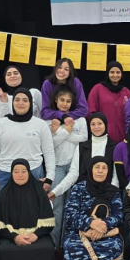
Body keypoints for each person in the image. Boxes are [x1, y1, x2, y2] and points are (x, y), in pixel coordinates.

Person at [60, 157, 124, 260]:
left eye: (104, 168)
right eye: (97, 167)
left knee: (114, 247)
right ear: (90, 170)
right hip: (80, 232)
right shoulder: (79, 189)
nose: (100, 171)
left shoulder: (113, 191)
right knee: (72, 248)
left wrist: (102, 226)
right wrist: (90, 223)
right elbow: (70, 214)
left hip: (106, 233)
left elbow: (118, 215)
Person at [0, 88, 55, 231]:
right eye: (17, 100)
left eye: (25, 100)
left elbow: (49, 152)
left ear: (30, 103)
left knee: (33, 216)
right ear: (12, 102)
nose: (21, 103)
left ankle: (32, 244)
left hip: (34, 173)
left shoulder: (40, 124)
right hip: (5, 174)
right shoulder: (0, 124)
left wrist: (49, 178)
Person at [48, 86, 88, 246]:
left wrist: (61, 131)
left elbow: (84, 138)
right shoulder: (50, 120)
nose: (65, 103)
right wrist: (66, 132)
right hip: (57, 166)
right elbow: (51, 144)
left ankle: (67, 243)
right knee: (56, 205)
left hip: (74, 166)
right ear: (56, 100)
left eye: (68, 101)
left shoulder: (80, 120)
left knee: (71, 206)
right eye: (62, 100)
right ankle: (53, 244)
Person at [50, 111, 117, 201]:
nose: (96, 127)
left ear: (105, 125)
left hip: (106, 193)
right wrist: (55, 191)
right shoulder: (82, 147)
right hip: (83, 194)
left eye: (100, 123)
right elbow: (73, 174)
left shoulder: (114, 147)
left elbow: (115, 177)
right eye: (93, 124)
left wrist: (110, 195)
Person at [86, 60, 130, 143]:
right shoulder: (98, 89)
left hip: (122, 138)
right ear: (107, 73)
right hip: (102, 137)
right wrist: (98, 127)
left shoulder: (126, 92)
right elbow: (91, 111)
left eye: (118, 72)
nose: (115, 75)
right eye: (112, 72)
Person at [41, 57, 89, 123]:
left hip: (72, 119)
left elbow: (83, 110)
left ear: (70, 72)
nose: (61, 71)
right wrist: (61, 116)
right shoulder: (47, 84)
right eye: (59, 67)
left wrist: (66, 117)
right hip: (52, 120)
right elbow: (44, 112)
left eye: (66, 69)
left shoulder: (76, 82)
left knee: (82, 121)